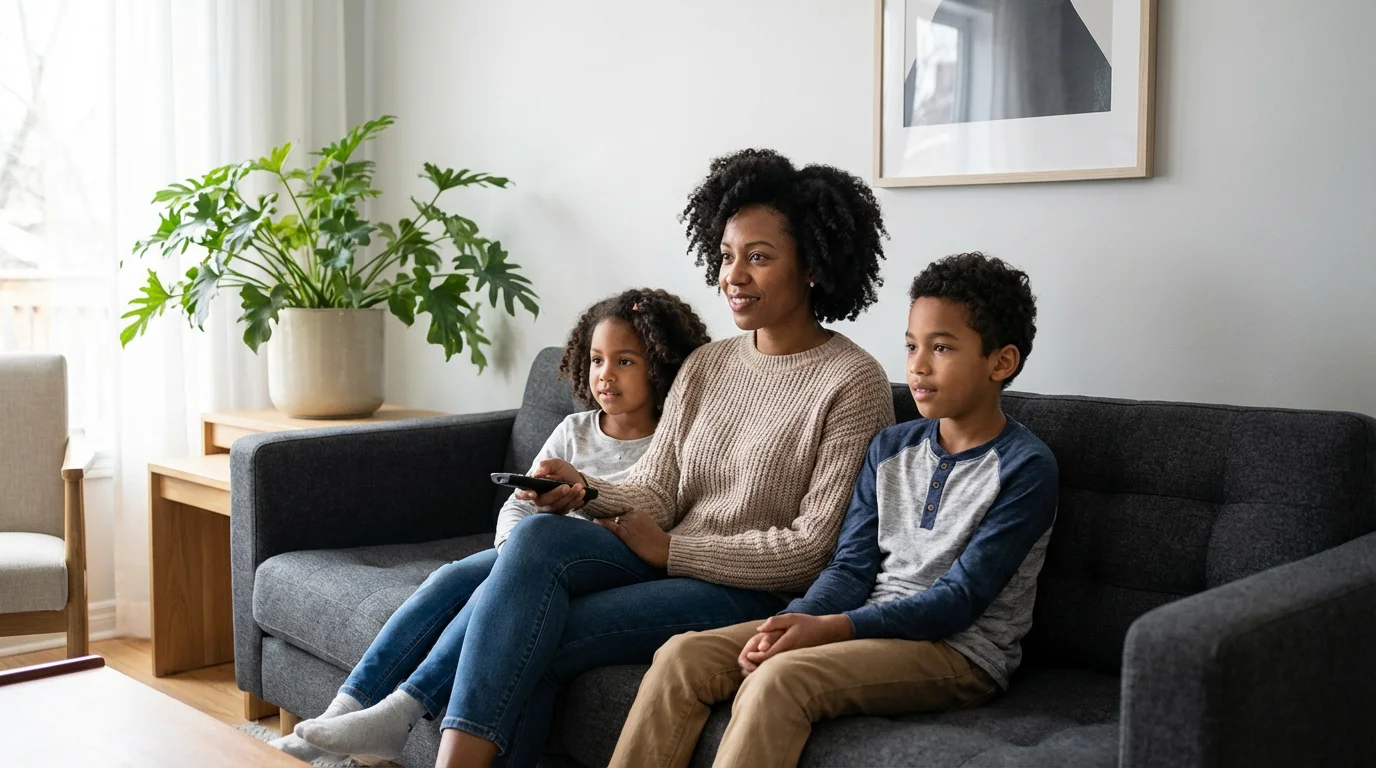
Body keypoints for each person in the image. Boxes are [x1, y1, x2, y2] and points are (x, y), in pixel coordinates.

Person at [299, 148, 893, 768]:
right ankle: (394, 717)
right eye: (726, 256)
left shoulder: (851, 383)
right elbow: (658, 487)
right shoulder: (708, 365)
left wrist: (672, 551)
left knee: (537, 631)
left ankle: (413, 724)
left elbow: (813, 549)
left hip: (748, 595)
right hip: (667, 562)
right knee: (536, 543)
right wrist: (585, 490)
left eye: (759, 257)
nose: (733, 276)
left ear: (815, 266)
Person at [608, 252, 1059, 768]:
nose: (917, 365)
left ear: (1001, 362)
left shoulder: (1026, 468)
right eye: (912, 346)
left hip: (958, 651)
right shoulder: (890, 448)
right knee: (680, 657)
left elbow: (959, 600)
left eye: (942, 348)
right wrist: (793, 621)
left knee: (781, 680)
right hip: (861, 620)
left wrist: (829, 629)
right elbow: (850, 567)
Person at [274, 288, 710, 764]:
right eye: (597, 360)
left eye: (624, 362)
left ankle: (396, 713)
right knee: (452, 576)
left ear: (662, 367)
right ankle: (344, 711)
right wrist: (512, 550)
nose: (605, 375)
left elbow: (663, 511)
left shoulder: (673, 439)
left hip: (614, 566)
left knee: (498, 577)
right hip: (539, 557)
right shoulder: (574, 430)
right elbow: (519, 505)